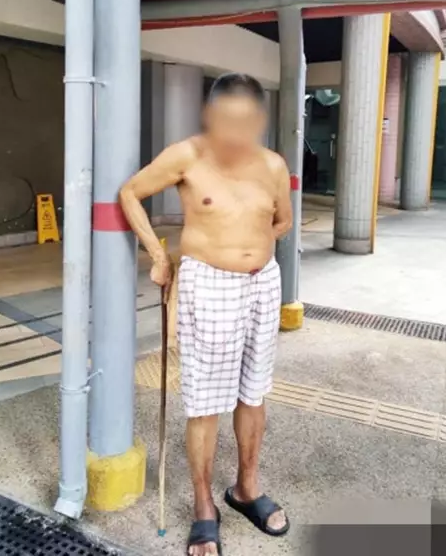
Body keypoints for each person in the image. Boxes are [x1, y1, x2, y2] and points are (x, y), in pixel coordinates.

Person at [119, 73, 293, 556]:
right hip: (209, 284)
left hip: (264, 282)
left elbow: (282, 219)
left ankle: (246, 489)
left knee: (254, 392)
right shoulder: (186, 155)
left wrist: (250, 243)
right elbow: (131, 192)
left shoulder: (273, 164)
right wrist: (158, 255)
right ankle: (203, 506)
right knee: (206, 402)